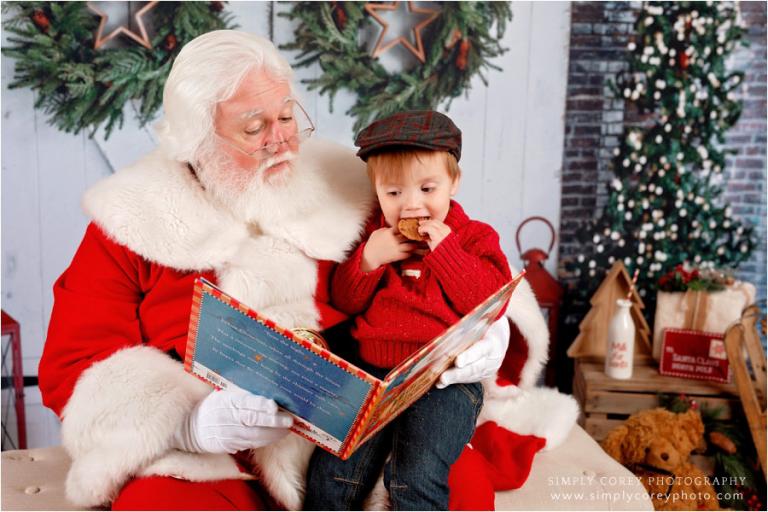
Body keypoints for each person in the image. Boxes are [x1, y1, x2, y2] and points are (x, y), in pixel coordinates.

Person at [36, 30, 571, 511]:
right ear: (198, 139)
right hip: (216, 456)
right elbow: (80, 364)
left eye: (287, 116)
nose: (283, 140)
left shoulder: (341, 179)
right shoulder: (130, 220)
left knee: (459, 490)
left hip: (358, 431)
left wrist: (488, 327)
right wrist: (192, 425)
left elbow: (451, 237)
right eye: (254, 127)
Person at [305, 111, 511, 510]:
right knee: (331, 473)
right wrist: (368, 260)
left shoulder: (472, 238)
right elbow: (346, 301)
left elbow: (491, 302)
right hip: (374, 376)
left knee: (414, 476)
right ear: (377, 191)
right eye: (394, 193)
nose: (411, 205)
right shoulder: (375, 237)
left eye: (427, 189)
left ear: (454, 182)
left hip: (443, 380)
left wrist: (448, 253)